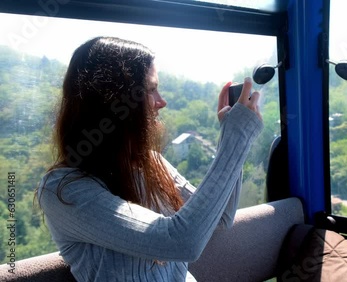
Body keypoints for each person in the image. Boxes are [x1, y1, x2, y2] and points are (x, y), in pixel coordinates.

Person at [36, 36, 263, 281]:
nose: (161, 102)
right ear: (114, 102)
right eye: (151, 90)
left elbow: (221, 218)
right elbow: (181, 242)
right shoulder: (63, 190)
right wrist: (237, 137)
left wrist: (232, 138)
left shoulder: (150, 162)